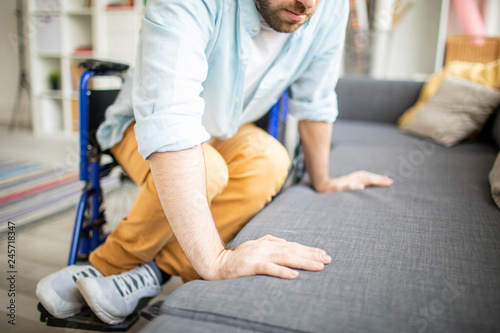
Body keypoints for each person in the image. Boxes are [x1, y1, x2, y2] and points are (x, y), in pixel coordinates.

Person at [36, 0, 393, 325]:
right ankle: (105, 266)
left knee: (271, 159)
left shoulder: (328, 9)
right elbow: (170, 120)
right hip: (140, 125)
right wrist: (216, 261)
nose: (308, 4)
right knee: (209, 169)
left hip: (225, 127)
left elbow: (315, 100)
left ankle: (154, 272)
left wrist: (325, 180)